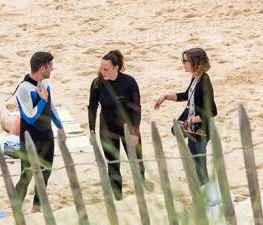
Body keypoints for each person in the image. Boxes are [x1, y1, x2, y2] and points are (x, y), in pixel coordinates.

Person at [154, 48, 217, 185]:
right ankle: (204, 193)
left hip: (201, 130)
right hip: (192, 129)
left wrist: (190, 120)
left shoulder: (204, 83)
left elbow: (210, 112)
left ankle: (208, 196)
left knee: (199, 164)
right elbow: (186, 95)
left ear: (195, 62)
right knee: (195, 162)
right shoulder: (196, 78)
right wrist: (165, 97)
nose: (183, 63)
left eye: (185, 61)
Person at [88, 50, 144, 198]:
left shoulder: (129, 82)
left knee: (137, 161)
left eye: (106, 69)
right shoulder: (97, 83)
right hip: (107, 128)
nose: (102, 71)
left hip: (127, 128)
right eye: (101, 68)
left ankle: (142, 191)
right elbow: (92, 107)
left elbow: (137, 108)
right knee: (113, 163)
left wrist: (135, 132)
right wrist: (92, 130)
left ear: (116, 68)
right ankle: (118, 197)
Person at [14, 51, 65, 212]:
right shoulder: (23, 89)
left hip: (47, 136)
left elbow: (51, 106)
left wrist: (60, 127)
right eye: (50, 66)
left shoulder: (44, 85)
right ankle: (15, 209)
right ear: (42, 68)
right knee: (26, 175)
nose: (52, 69)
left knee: (45, 173)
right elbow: (30, 117)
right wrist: (42, 99)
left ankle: (36, 210)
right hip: (30, 138)